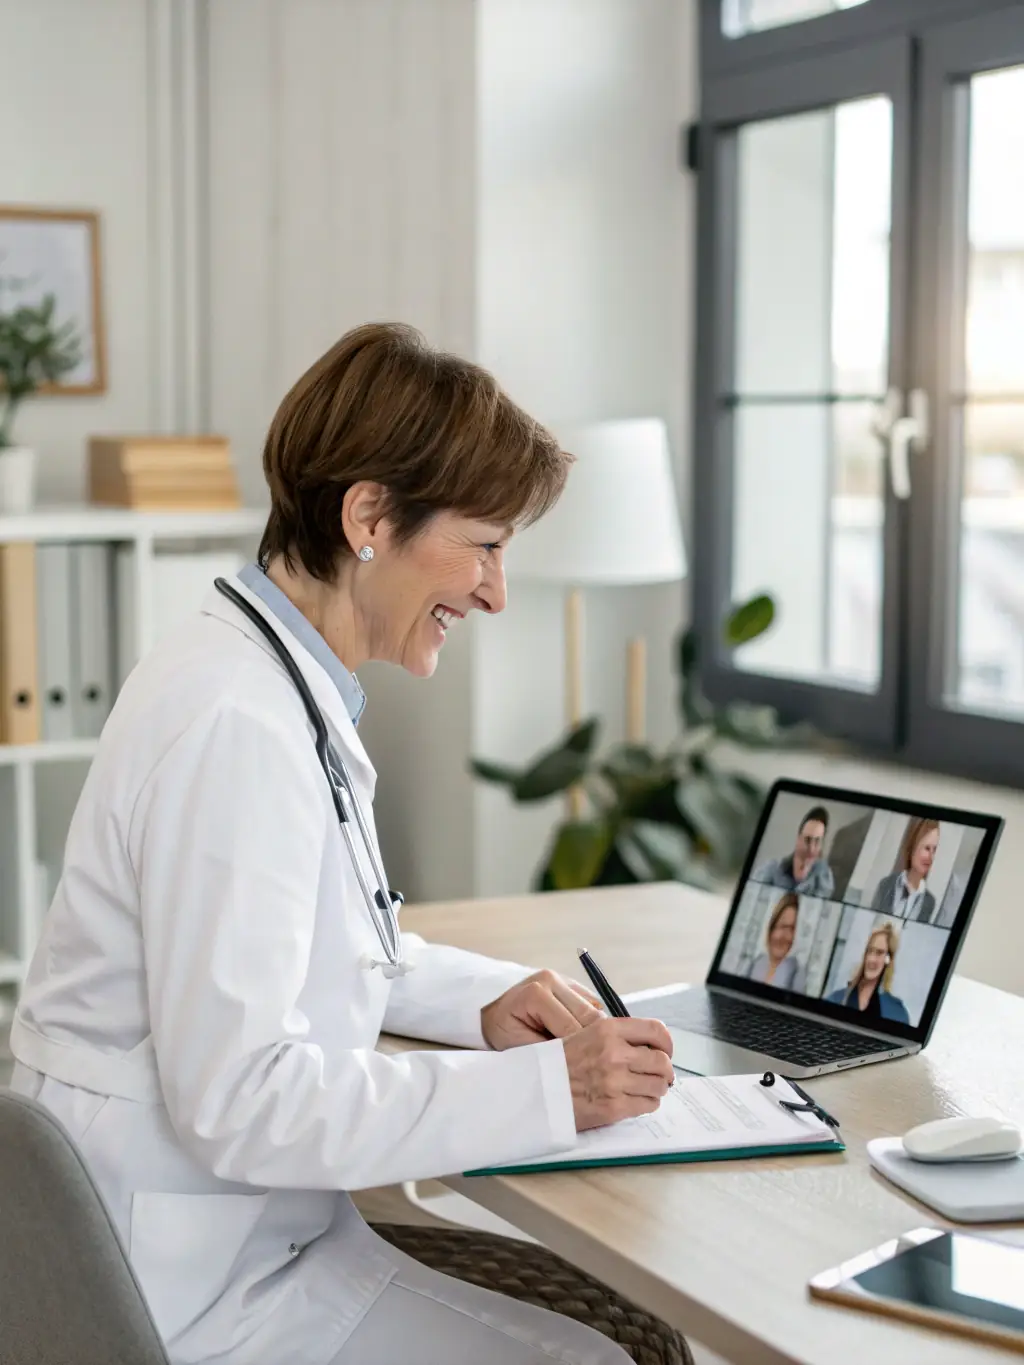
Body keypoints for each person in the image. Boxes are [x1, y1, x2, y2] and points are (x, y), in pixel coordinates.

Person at [8, 324, 680, 1365]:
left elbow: (307, 937)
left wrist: (479, 1000)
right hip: (182, 1288)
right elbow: (244, 1102)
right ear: (369, 516)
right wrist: (556, 1091)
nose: (496, 592)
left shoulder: (259, 676)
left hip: (242, 1238)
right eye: (486, 546)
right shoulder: (237, 723)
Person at [825, 921, 910, 1024]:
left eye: (879, 953)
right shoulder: (836, 998)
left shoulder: (897, 1013)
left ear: (888, 959)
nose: (872, 959)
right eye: (870, 951)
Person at [753, 805, 835, 898]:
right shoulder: (770, 869)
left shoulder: (825, 878)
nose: (811, 849)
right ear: (798, 839)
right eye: (807, 840)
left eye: (817, 841)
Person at [872, 817, 940, 923]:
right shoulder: (886, 885)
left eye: (934, 850)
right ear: (913, 847)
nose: (930, 857)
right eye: (927, 848)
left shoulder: (929, 902)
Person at [747, 892, 806, 991]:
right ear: (771, 928)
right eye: (782, 926)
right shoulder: (756, 963)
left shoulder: (797, 973)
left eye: (792, 929)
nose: (786, 937)